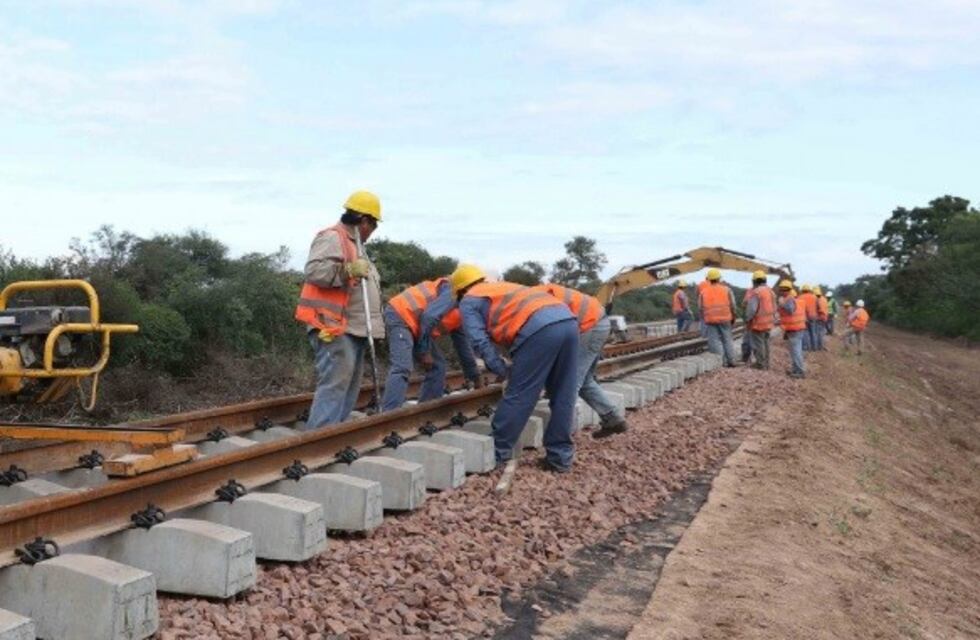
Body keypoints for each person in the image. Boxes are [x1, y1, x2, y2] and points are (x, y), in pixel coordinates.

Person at [453, 265, 579, 473]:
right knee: (563, 392)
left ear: (460, 291)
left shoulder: (468, 300)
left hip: (540, 329)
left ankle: (496, 453)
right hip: (568, 321)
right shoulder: (504, 287)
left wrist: (501, 369)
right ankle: (560, 458)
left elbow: (478, 341)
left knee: (520, 393)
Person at [295, 190, 385, 429]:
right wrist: (347, 271)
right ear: (364, 221)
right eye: (373, 226)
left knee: (348, 387)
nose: (373, 232)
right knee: (335, 386)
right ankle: (319, 440)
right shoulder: (333, 237)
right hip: (333, 327)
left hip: (353, 329)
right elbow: (314, 272)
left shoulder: (357, 245)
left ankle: (335, 437)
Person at [535, 282, 628, 438]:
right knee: (584, 381)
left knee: (569, 383)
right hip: (598, 322)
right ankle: (613, 419)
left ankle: (560, 438)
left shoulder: (534, 301)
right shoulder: (535, 295)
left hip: (591, 325)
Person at [380, 278, 482, 412]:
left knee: (437, 365)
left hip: (418, 326)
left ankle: (426, 411)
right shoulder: (451, 293)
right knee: (402, 366)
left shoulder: (461, 313)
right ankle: (388, 414)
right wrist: (424, 351)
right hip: (401, 315)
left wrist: (474, 376)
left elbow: (463, 347)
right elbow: (428, 318)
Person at [698, 268, 738, 367]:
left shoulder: (703, 292)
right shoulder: (727, 289)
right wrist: (734, 315)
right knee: (727, 339)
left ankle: (720, 363)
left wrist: (704, 317)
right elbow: (733, 304)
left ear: (709, 279)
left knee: (714, 341)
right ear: (719, 279)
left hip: (710, 320)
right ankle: (731, 361)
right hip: (725, 319)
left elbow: (700, 308)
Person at [743, 270, 777, 370]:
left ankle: (760, 364)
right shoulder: (771, 292)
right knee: (766, 344)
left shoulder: (756, 292)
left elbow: (752, 309)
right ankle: (766, 364)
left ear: (754, 281)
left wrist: (748, 319)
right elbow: (775, 308)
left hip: (758, 323)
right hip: (768, 323)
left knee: (759, 345)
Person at [776, 280, 806, 378]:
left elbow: (790, 310)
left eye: (785, 289)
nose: (783, 291)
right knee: (796, 351)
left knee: (796, 351)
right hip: (797, 328)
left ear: (789, 290)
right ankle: (795, 370)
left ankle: (799, 372)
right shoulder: (792, 298)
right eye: (782, 289)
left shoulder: (789, 299)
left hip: (795, 329)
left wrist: (781, 304)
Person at [797, 284, 818, 351]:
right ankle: (814, 347)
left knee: (805, 332)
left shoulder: (800, 297)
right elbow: (818, 306)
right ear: (809, 290)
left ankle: (806, 347)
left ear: (802, 290)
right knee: (813, 332)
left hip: (804, 317)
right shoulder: (814, 297)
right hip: (813, 317)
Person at [814, 286, 829, 351]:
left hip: (820, 318)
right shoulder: (824, 299)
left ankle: (819, 346)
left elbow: (821, 310)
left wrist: (816, 313)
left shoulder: (819, 300)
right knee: (821, 332)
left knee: (819, 332)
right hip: (824, 317)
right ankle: (821, 345)